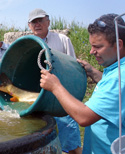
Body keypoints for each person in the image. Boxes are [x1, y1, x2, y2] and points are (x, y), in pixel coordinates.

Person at [40, 13, 125, 154]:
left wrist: (55, 87)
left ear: (119, 44)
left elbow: (84, 117)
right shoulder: (116, 69)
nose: (92, 52)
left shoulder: (118, 77)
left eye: (97, 47)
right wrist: (93, 72)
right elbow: (114, 90)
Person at [28, 8, 81, 154]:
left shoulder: (63, 40)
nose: (37, 24)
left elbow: (73, 67)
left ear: (48, 22)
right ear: (29, 26)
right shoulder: (28, 45)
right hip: (39, 100)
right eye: (34, 22)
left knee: (72, 142)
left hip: (62, 99)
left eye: (40, 20)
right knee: (45, 144)